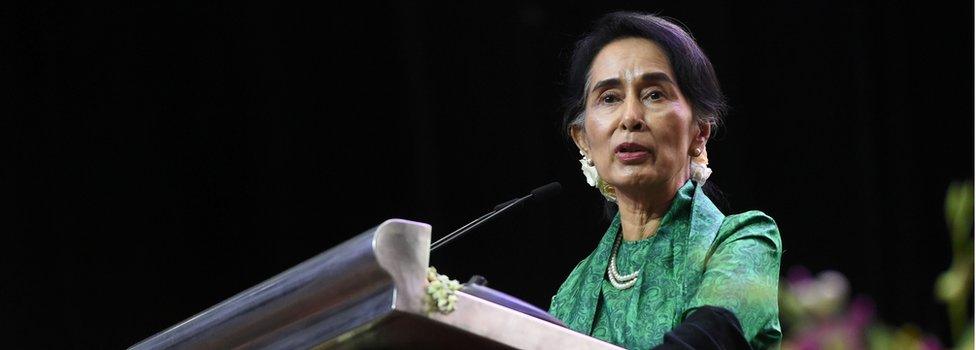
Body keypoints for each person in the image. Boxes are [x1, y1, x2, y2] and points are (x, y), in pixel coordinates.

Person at [548, 12, 783, 349]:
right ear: (583, 139)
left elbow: (708, 340)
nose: (630, 118)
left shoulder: (743, 243)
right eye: (610, 98)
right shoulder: (571, 293)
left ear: (699, 132)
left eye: (654, 94)